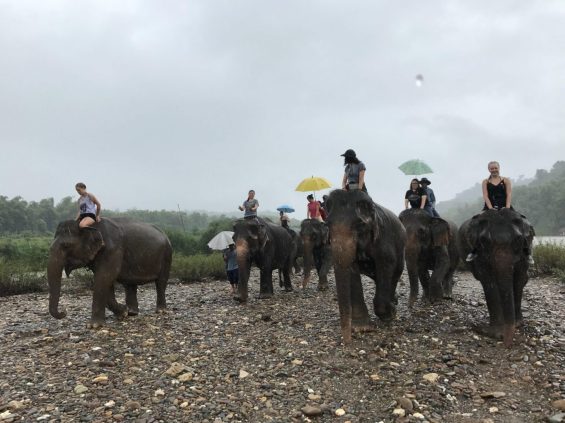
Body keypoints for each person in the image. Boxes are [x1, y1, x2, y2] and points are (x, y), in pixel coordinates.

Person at [466, 161, 534, 265]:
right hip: (489, 207)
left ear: (499, 168)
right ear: (489, 170)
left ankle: (527, 252)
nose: (494, 170)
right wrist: (490, 208)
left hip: (505, 206)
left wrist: (506, 208)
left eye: (495, 168)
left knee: (521, 223)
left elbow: (509, 194)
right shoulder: (485, 182)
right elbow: (485, 195)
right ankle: (474, 251)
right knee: (477, 225)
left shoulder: (505, 180)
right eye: (491, 168)